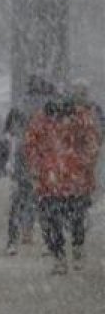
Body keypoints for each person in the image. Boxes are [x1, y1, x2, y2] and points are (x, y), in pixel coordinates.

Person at [24, 88, 102, 274]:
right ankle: (68, 253)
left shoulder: (44, 120)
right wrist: (82, 163)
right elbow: (92, 143)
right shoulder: (78, 118)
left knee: (58, 221)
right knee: (67, 220)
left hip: (57, 182)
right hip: (67, 182)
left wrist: (39, 166)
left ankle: (64, 254)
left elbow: (30, 145)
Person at [0, 75, 56, 255]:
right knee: (45, 200)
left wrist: (3, 162)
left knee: (19, 199)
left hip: (23, 156)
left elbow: (6, 136)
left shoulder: (19, 105)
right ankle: (49, 242)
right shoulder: (52, 106)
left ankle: (12, 241)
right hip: (46, 157)